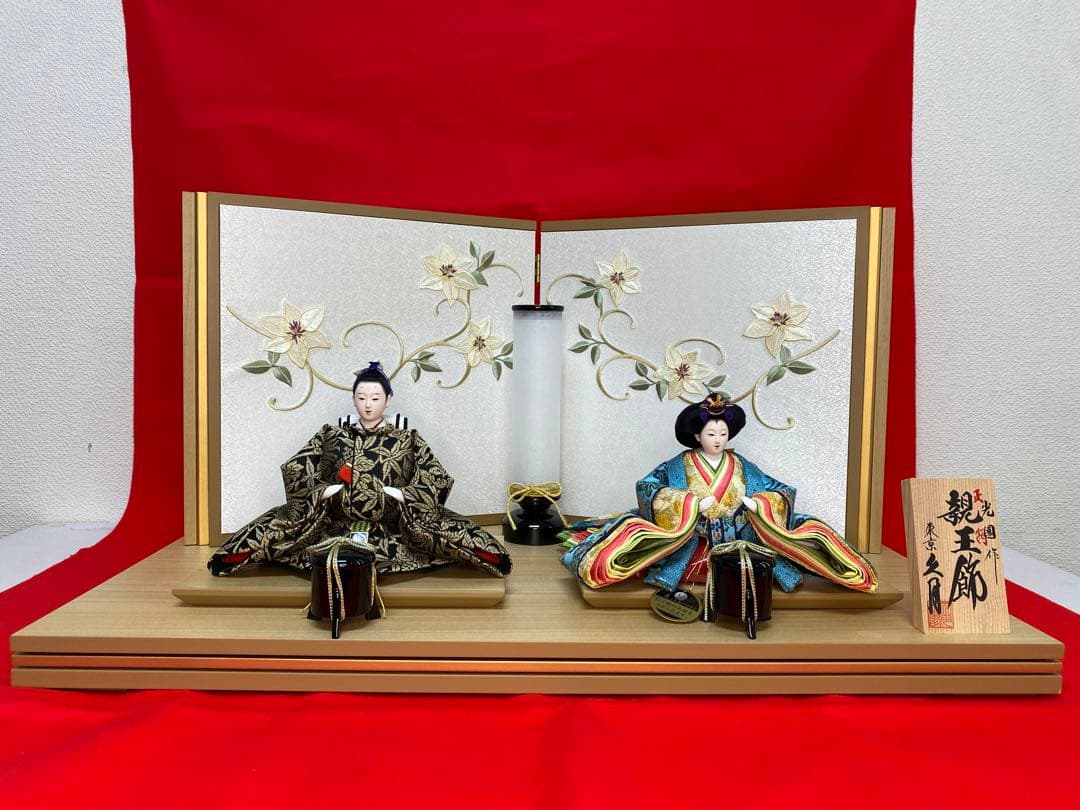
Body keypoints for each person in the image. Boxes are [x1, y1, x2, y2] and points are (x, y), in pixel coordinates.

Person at [209, 362, 512, 579]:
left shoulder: (406, 438)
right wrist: (321, 491)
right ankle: (231, 559)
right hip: (331, 524)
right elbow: (297, 467)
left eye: (375, 398)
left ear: (388, 400)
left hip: (395, 527)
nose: (368, 405)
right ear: (353, 399)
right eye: (362, 398)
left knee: (460, 536)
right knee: (270, 531)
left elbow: (435, 474)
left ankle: (491, 559)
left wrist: (405, 495)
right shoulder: (332, 434)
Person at [561, 393, 876, 593]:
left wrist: (760, 504)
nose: (717, 439)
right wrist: (689, 503)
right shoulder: (678, 464)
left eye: (723, 433)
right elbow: (648, 487)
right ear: (697, 435)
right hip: (693, 540)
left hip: (738, 540)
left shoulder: (742, 465)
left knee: (760, 568)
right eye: (711, 433)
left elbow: (780, 490)